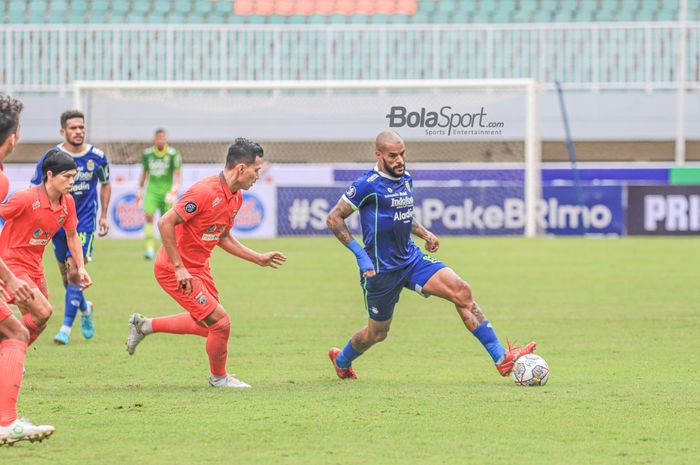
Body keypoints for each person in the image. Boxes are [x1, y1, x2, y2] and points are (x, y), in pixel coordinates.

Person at [326, 130, 536, 380]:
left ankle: (501, 358)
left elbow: (401, 215)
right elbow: (334, 218)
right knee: (377, 334)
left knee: (462, 292)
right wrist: (360, 256)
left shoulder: (405, 178)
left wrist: (424, 233)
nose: (400, 160)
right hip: (380, 270)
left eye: (402, 153)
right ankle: (342, 360)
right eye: (393, 155)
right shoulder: (366, 185)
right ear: (379, 155)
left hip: (411, 259)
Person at [126, 138, 286, 388]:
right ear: (241, 169)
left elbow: (222, 236)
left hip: (199, 268)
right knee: (220, 323)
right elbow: (164, 223)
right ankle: (219, 378)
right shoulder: (204, 192)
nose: (258, 176)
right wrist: (179, 268)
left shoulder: (236, 198)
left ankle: (144, 325)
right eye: (257, 170)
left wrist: (258, 258)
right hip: (174, 269)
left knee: (207, 327)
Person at [0, 142, 92, 444]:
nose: (71, 182)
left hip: (35, 269)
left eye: (74, 177)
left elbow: (72, 235)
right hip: (12, 267)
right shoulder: (25, 199)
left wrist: (80, 267)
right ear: (49, 175)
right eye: (67, 176)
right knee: (42, 313)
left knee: (35, 321)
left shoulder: (67, 204)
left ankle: (9, 360)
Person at [30, 110, 110, 346]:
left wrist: (104, 216)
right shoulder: (52, 156)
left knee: (76, 272)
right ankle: (85, 309)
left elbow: (105, 184)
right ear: (63, 131)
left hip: (82, 223)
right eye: (73, 128)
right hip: (55, 224)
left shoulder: (98, 156)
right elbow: (36, 186)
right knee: (68, 282)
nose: (78, 132)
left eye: (81, 127)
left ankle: (65, 329)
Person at [137, 129, 182, 260]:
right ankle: (149, 249)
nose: (161, 140)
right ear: (154, 139)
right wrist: (139, 192)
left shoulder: (173, 154)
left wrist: (174, 191)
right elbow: (144, 174)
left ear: (166, 139)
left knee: (167, 222)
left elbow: (178, 175)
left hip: (166, 192)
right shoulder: (148, 154)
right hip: (152, 191)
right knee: (149, 217)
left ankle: (167, 250)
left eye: (163, 138)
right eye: (158, 138)